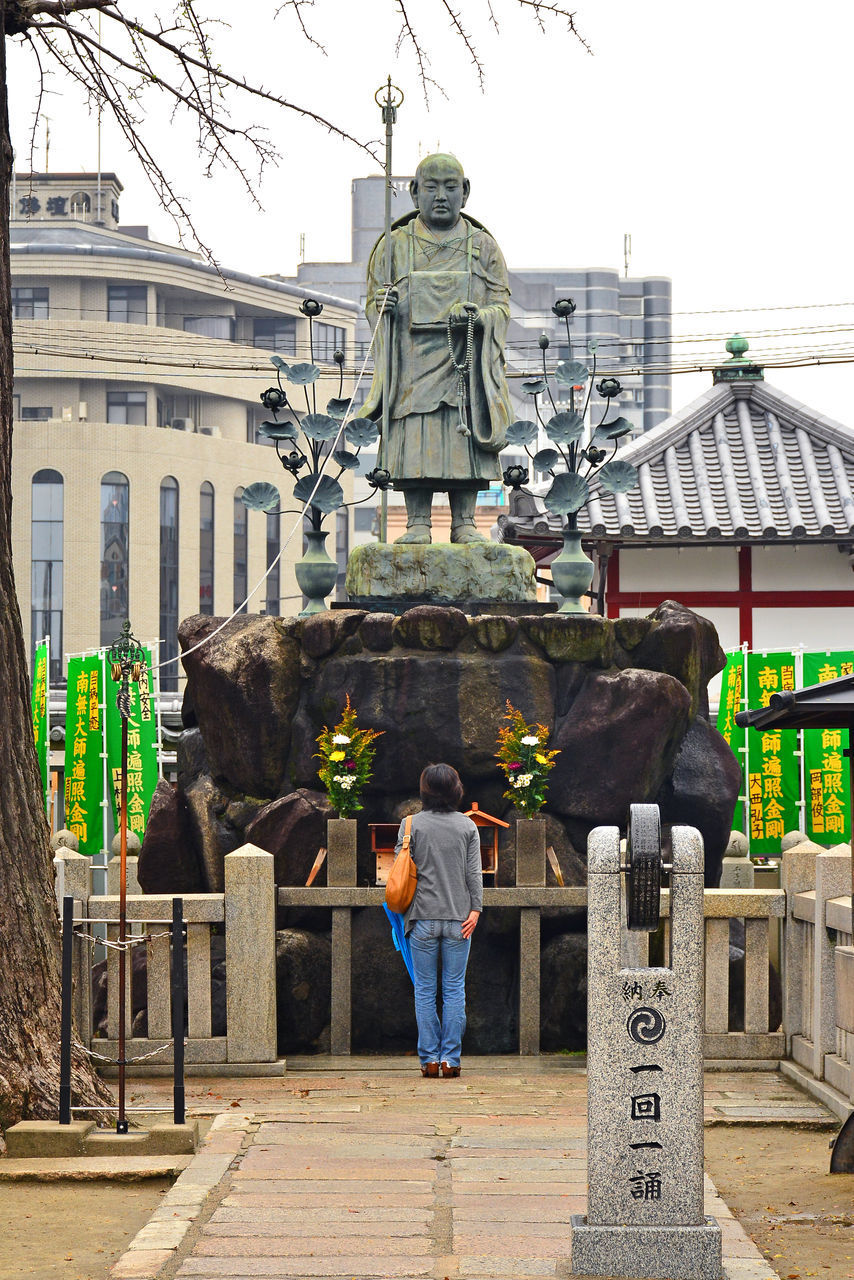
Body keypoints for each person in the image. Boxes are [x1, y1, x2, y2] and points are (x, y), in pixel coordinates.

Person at [363, 152, 513, 545]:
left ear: (465, 192)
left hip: (464, 361)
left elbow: (501, 306)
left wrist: (481, 317)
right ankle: (417, 522)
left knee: (463, 434)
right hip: (411, 364)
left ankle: (465, 522)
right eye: (431, 187)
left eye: (450, 186)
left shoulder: (483, 246)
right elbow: (372, 302)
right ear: (414, 192)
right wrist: (382, 305)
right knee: (417, 432)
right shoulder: (394, 246)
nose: (441, 195)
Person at [394, 763, 483, 1078]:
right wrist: (476, 910)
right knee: (455, 988)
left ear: (425, 791)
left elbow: (399, 871)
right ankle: (451, 1060)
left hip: (422, 919)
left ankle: (429, 1060)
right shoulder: (467, 827)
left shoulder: (410, 825)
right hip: (460, 919)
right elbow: (474, 874)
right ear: (456, 790)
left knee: (425, 989)